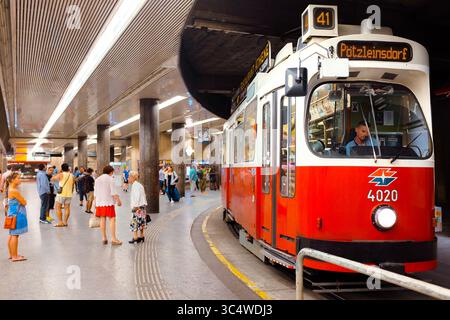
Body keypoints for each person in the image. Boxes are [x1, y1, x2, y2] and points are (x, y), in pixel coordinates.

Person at [94, 165, 122, 246]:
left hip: (100, 202)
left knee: (102, 219)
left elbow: (95, 192)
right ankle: (113, 238)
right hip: (108, 202)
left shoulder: (97, 179)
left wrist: (95, 203)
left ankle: (104, 238)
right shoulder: (111, 179)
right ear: (111, 172)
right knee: (112, 219)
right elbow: (113, 192)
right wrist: (118, 201)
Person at [6, 173, 28, 262]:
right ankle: (15, 257)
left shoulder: (10, 189)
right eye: (18, 178)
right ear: (12, 180)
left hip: (11, 213)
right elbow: (24, 202)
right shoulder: (14, 191)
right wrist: (24, 200)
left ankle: (12, 254)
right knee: (15, 235)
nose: (20, 180)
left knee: (12, 234)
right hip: (17, 214)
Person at [128, 171, 148, 244]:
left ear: (133, 177)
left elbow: (137, 197)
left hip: (138, 207)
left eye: (129, 177)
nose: (128, 178)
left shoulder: (135, 186)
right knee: (141, 222)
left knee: (135, 222)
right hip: (142, 206)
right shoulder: (139, 185)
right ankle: (142, 236)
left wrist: (135, 207)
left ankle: (135, 237)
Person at [52, 163, 75, 227]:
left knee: (58, 207)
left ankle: (60, 222)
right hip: (69, 194)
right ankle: (65, 222)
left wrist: (59, 172)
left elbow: (52, 178)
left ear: (62, 168)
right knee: (67, 208)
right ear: (68, 168)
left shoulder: (61, 174)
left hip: (61, 194)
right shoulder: (72, 175)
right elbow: (73, 185)